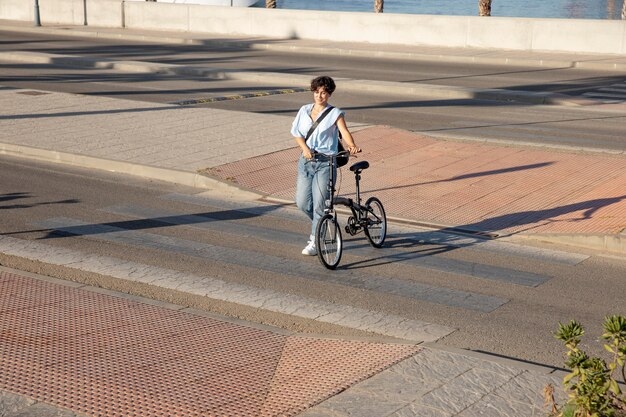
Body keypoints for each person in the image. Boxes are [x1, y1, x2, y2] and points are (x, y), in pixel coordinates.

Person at [291, 75, 360, 256]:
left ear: (329, 94)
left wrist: (351, 145)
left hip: (326, 163)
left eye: (323, 93)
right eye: (316, 92)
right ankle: (321, 221)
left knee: (320, 203)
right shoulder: (304, 110)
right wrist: (305, 148)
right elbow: (297, 133)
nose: (319, 96)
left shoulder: (334, 113)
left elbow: (344, 131)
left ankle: (315, 240)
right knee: (302, 202)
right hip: (306, 162)